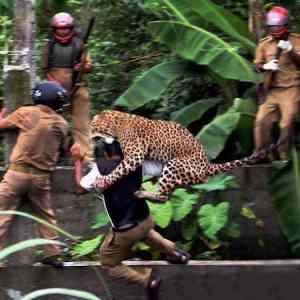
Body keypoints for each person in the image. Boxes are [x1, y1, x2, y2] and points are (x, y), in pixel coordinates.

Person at [71, 138, 190, 300]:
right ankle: (176, 254)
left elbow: (80, 187)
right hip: (145, 219)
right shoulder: (137, 162)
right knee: (146, 233)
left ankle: (148, 281)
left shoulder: (101, 169)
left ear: (106, 153)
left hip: (126, 230)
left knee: (108, 262)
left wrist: (77, 161)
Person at [0, 81, 70, 267]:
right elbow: (63, 149)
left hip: (17, 174)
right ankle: (52, 253)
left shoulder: (27, 112)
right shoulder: (62, 124)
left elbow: (2, 125)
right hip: (41, 178)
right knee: (46, 216)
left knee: (2, 215)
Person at [42, 12, 93, 163]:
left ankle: (86, 158)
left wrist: (82, 66)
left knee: (81, 125)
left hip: (78, 89)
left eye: (66, 28)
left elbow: (89, 66)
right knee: (51, 124)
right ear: (55, 29)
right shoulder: (49, 46)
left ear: (71, 28)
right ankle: (51, 157)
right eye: (59, 29)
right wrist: (54, 85)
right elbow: (45, 70)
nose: (63, 32)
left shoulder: (80, 44)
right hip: (55, 93)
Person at [254, 6, 300, 160]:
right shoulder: (265, 44)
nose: (275, 29)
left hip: (290, 88)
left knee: (286, 123)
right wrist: (265, 66)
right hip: (271, 90)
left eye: (278, 26)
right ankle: (261, 153)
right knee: (261, 121)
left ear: (286, 25)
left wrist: (290, 50)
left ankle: (283, 154)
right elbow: (257, 66)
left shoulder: (296, 40)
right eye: (272, 26)